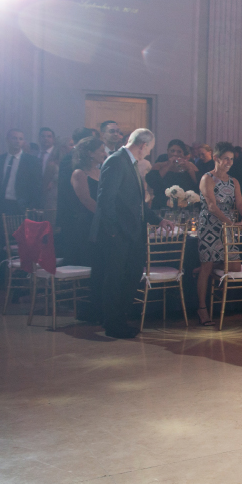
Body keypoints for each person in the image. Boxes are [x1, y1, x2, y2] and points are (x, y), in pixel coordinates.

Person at [90, 129, 172, 338]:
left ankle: (120, 319)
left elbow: (136, 203)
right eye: (149, 149)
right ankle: (113, 324)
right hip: (118, 233)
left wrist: (158, 220)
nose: (148, 154)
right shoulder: (116, 161)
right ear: (143, 145)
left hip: (131, 233)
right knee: (115, 279)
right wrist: (113, 231)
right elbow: (105, 200)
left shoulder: (131, 163)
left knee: (132, 275)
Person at [195, 142, 242, 327]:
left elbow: (240, 203)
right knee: (207, 265)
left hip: (228, 228)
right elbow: (211, 206)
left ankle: (206, 268)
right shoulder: (207, 178)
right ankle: (202, 308)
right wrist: (230, 223)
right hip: (210, 226)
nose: (229, 162)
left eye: (231, 159)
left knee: (234, 267)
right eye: (225, 158)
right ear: (216, 158)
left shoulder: (234, 181)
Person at [0, 128, 42, 244]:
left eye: (20, 139)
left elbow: (36, 186)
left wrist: (33, 205)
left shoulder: (31, 161)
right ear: (7, 140)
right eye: (14, 138)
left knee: (19, 240)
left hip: (20, 205)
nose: (17, 141)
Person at [55, 127, 98, 258]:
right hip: (74, 214)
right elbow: (68, 190)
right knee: (75, 255)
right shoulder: (70, 159)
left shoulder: (86, 158)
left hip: (83, 214)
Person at [65, 138, 105, 267]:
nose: (104, 154)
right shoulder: (79, 173)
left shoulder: (101, 172)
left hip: (100, 220)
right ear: (90, 153)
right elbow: (86, 200)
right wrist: (104, 215)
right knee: (88, 260)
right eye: (101, 151)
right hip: (87, 223)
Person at [145, 139, 199, 211]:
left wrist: (189, 169)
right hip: (162, 205)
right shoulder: (159, 165)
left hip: (184, 207)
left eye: (179, 151)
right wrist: (168, 166)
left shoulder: (190, 166)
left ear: (183, 153)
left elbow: (198, 184)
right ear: (168, 151)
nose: (175, 154)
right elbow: (153, 182)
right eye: (172, 151)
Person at [37, 127, 60, 211]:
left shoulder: (59, 154)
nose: (46, 138)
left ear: (53, 139)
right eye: (43, 136)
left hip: (52, 194)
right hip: (36, 194)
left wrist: (53, 181)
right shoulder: (34, 154)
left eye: (49, 136)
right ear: (39, 138)